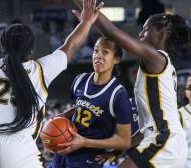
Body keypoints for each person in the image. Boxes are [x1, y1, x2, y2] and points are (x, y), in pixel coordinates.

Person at [52, 0, 191, 167]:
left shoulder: (156, 58)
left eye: (146, 29)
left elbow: (112, 32)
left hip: (164, 142)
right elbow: (147, 128)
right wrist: (113, 152)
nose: (140, 34)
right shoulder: (160, 65)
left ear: (162, 33)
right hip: (165, 141)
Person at [0, 0, 104, 168]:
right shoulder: (42, 70)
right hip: (19, 148)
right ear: (31, 50)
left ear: (2, 47)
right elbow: (71, 45)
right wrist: (86, 22)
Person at [51, 37, 132, 168]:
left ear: (116, 60)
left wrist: (85, 142)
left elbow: (125, 141)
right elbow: (77, 108)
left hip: (88, 157)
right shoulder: (79, 80)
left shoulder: (118, 94)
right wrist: (63, 116)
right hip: (64, 150)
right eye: (96, 51)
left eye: (105, 52)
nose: (98, 55)